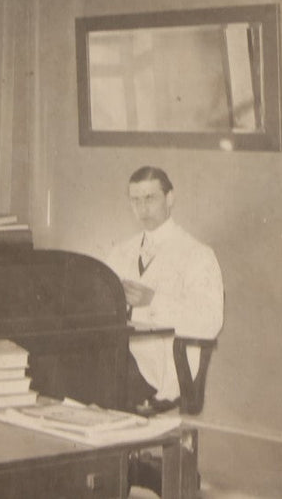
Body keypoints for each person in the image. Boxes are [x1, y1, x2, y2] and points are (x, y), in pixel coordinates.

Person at [104, 165, 223, 413]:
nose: (142, 208)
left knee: (87, 378)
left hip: (163, 365)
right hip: (120, 355)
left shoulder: (197, 255)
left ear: (170, 198)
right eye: (135, 200)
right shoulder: (120, 252)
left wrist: (153, 301)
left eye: (150, 198)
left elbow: (210, 322)